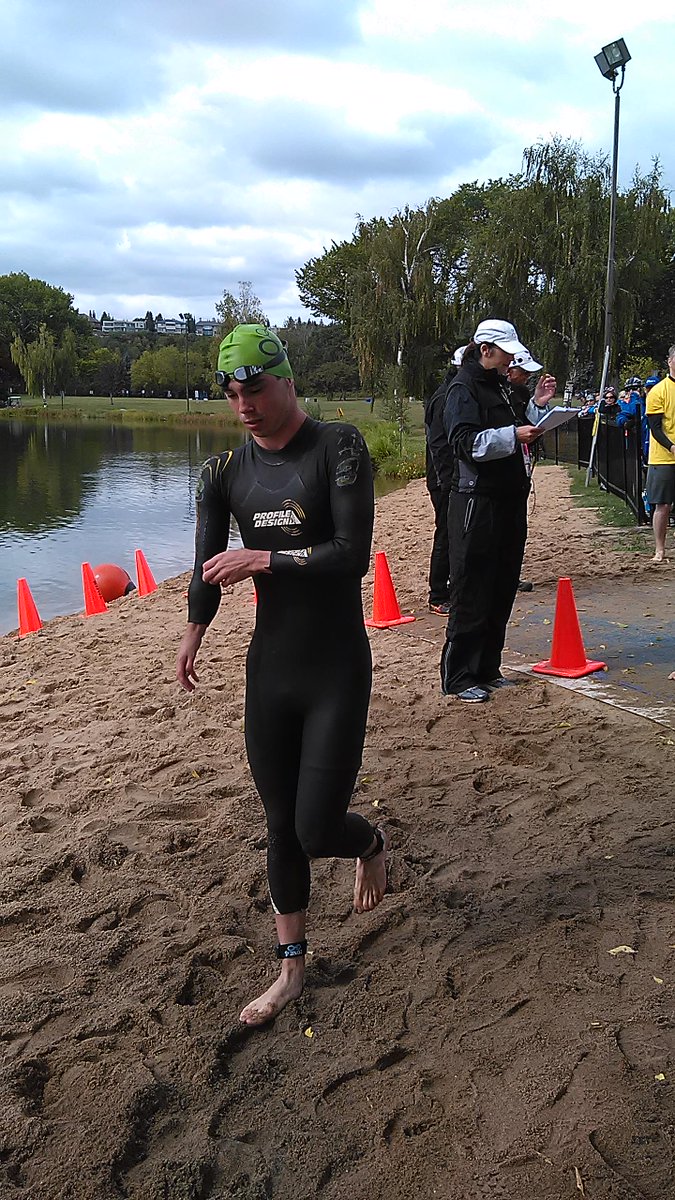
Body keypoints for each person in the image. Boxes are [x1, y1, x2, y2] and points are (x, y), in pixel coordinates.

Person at [176, 324, 387, 1026]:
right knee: (279, 826)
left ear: (288, 381)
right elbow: (208, 564)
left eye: (256, 389)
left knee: (316, 827)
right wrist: (194, 632)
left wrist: (264, 558)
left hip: (335, 667)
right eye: (232, 393)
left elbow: (351, 554)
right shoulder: (221, 473)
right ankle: (290, 970)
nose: (245, 405)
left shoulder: (338, 447)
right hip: (270, 670)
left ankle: (369, 843)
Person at [439, 319, 542, 702]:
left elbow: (511, 425)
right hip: (476, 502)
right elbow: (464, 443)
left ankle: (487, 668)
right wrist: (512, 436)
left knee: (501, 585)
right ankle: (459, 676)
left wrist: (534, 416)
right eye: (505, 353)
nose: (510, 360)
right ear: (485, 350)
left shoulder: (498, 385)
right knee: (472, 589)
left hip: (508, 499)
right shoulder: (463, 388)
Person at [506, 348, 557, 592]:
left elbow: (530, 423)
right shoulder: (496, 392)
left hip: (520, 468)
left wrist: (539, 402)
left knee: (516, 528)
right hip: (502, 470)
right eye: (523, 371)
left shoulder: (521, 392)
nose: (527, 376)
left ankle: (511, 575)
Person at [424, 345, 466, 615]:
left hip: (456, 478)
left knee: (458, 533)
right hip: (444, 480)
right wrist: (448, 481)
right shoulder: (444, 397)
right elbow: (438, 444)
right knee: (446, 533)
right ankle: (438, 594)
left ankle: (455, 586)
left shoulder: (457, 393)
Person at [645, 345, 675, 563]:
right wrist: (672, 447)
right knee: (662, 505)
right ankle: (660, 549)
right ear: (669, 361)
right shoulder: (658, 391)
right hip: (664, 457)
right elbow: (655, 428)